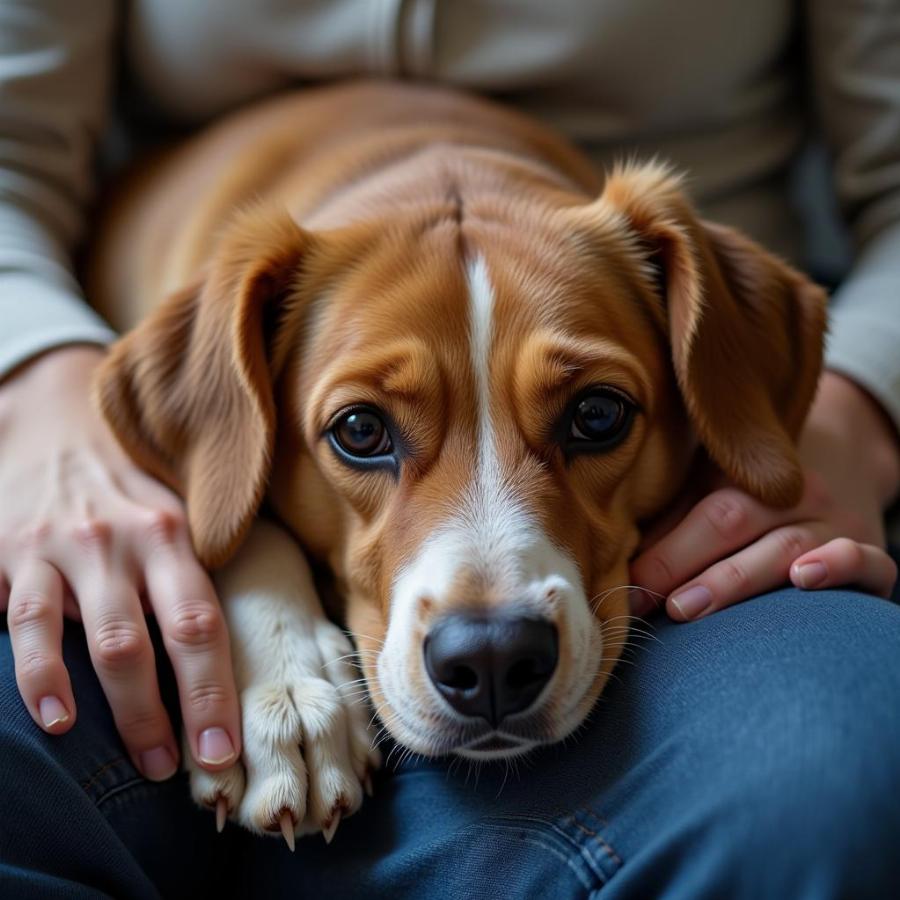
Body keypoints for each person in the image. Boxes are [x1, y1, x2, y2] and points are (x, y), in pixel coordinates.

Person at [1, 2, 898, 897]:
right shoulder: (244, 326)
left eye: (592, 419)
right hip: (82, 433)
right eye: (364, 430)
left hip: (700, 565)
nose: (489, 627)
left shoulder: (663, 292)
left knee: (840, 780)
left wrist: (858, 410)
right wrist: (35, 382)